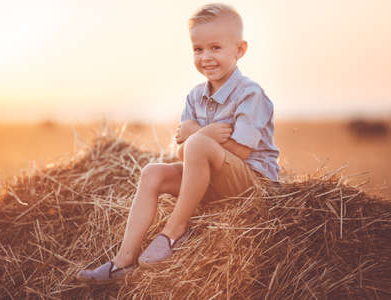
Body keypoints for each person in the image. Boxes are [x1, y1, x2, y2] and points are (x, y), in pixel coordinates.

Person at [77, 2, 280, 284]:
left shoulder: (250, 94)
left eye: (215, 48)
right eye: (198, 49)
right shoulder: (195, 97)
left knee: (198, 144)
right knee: (152, 173)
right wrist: (204, 134)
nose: (206, 57)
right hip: (212, 182)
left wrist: (198, 134)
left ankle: (174, 229)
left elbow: (240, 151)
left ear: (240, 50)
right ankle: (122, 263)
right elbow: (185, 153)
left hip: (251, 186)